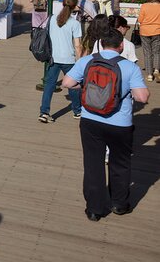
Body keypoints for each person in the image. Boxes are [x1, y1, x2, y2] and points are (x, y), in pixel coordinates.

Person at [61, 29, 149, 221]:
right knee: (120, 163)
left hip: (90, 120)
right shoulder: (129, 67)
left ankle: (94, 208)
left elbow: (67, 83)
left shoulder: (86, 62)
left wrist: (85, 86)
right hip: (120, 124)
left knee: (93, 164)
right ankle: (119, 204)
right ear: (121, 46)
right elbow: (142, 96)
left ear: (100, 44)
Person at [38, 0, 82, 123]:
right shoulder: (75, 23)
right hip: (69, 59)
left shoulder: (52, 19)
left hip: (53, 58)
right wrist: (79, 61)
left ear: (63, 4)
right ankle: (77, 110)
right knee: (73, 86)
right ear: (74, 6)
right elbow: (78, 45)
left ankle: (44, 112)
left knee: (49, 86)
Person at [136, 0, 160, 82]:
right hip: (157, 31)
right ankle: (157, 69)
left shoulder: (144, 6)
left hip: (145, 31)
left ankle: (149, 75)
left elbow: (140, 20)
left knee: (147, 53)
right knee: (157, 52)